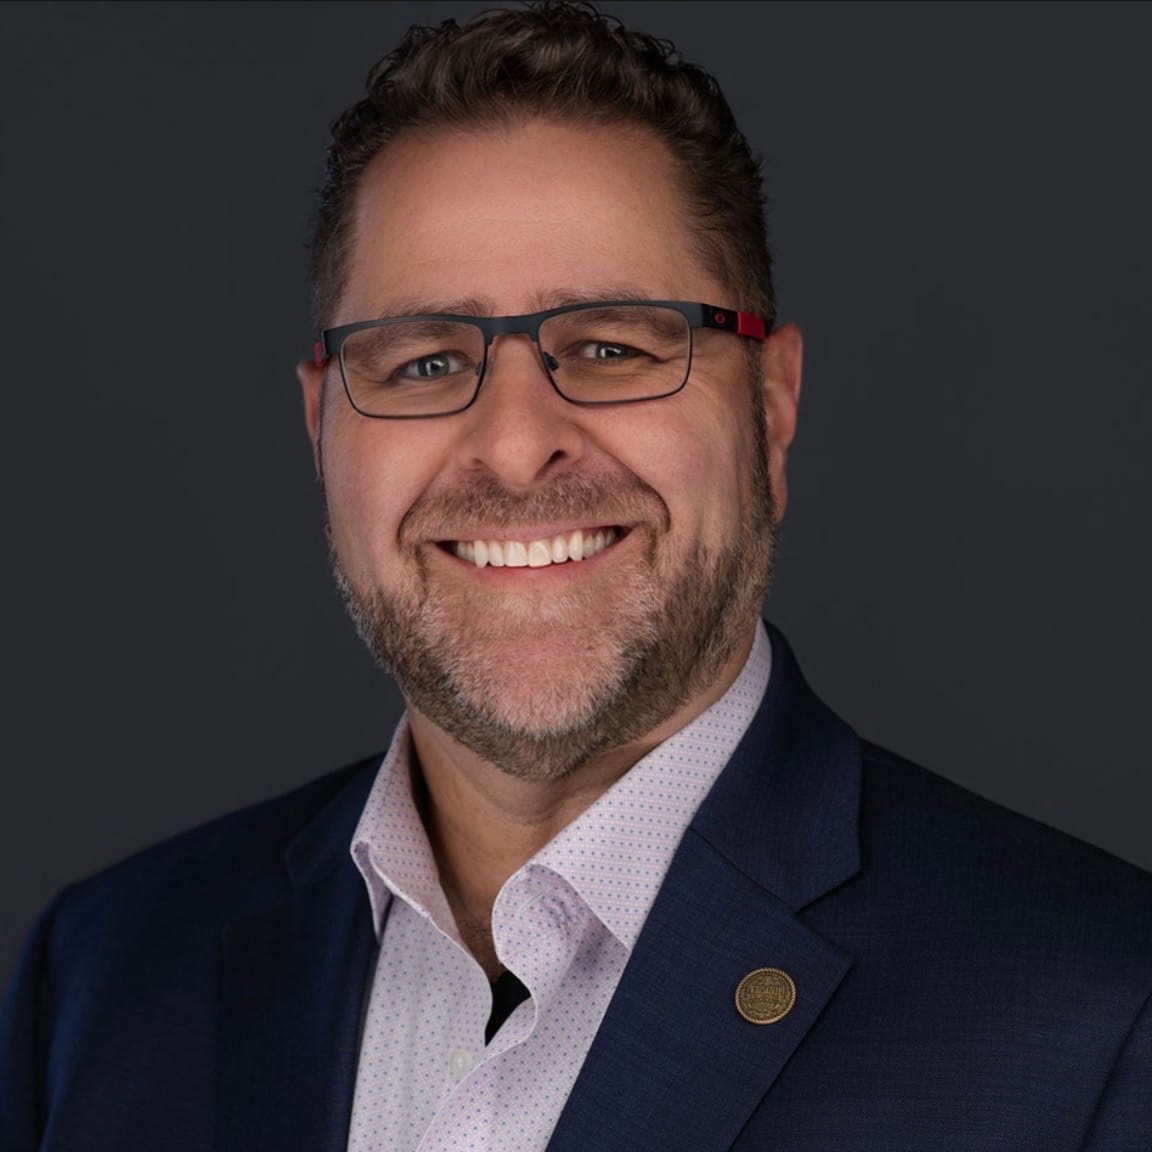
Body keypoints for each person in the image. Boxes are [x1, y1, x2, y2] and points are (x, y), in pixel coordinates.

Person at [2, 1, 1149, 1148]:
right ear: (321, 427)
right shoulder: (102, 979)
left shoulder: (1101, 1023)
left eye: (612, 346)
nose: (513, 442)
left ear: (774, 404)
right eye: (424, 360)